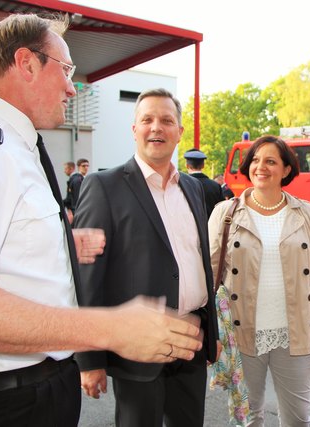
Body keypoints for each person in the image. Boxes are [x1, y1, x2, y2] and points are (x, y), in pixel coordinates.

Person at [0, 14, 202, 426]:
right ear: (27, 63)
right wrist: (109, 329)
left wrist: (58, 245)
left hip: (38, 388)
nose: (72, 87)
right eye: (67, 69)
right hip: (8, 402)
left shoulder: (16, 147)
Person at [73, 88, 218, 427]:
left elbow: (196, 261)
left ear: (179, 132)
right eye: (148, 119)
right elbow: (88, 277)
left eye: (167, 120)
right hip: (138, 347)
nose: (157, 128)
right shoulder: (103, 186)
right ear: (134, 129)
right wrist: (90, 358)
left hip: (191, 341)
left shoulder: (193, 188)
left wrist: (212, 335)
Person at [209, 135, 310, 427]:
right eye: (255, 160)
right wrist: (210, 334)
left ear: (286, 169)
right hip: (241, 333)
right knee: (247, 418)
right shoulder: (225, 213)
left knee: (297, 419)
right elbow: (207, 276)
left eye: (271, 161)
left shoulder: (306, 214)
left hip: (294, 334)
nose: (261, 167)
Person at [184, 148, 224, 217]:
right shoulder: (215, 186)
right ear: (203, 165)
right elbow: (222, 209)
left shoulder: (182, 185)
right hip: (211, 226)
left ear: (187, 165)